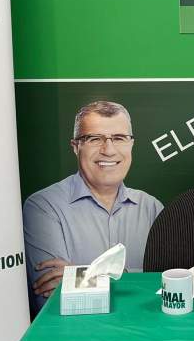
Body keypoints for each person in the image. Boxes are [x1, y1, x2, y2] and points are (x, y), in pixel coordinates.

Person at [23, 101, 162, 316]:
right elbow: (52, 301)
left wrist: (81, 277)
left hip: (146, 335)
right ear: (75, 147)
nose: (108, 150)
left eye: (119, 138)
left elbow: (169, 287)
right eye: (95, 139)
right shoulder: (43, 207)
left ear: (131, 144)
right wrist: (142, 279)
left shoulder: (152, 208)